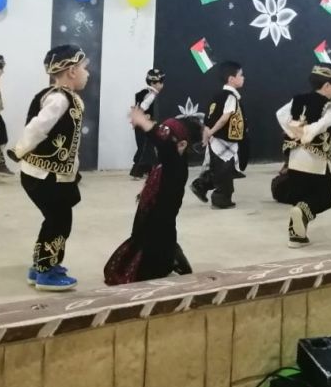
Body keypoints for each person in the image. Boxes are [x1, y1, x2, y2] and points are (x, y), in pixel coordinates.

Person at [7, 45, 89, 292]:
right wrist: (20, 149)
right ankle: (46, 272)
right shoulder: (59, 98)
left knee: (54, 219)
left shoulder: (61, 96)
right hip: (45, 176)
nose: (87, 73)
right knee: (59, 221)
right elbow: (37, 127)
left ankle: (41, 266)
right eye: (84, 68)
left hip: (51, 174)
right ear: (72, 71)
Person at [104, 109, 201, 284]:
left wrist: (143, 121)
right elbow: (158, 140)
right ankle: (172, 255)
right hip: (151, 216)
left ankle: (171, 257)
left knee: (141, 266)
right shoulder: (166, 161)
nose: (158, 146)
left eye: (165, 140)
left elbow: (160, 140)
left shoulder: (175, 164)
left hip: (159, 221)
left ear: (182, 145)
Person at [276, 63, 331, 248]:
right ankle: (302, 215)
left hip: (295, 157)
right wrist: (307, 133)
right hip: (315, 158)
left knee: (300, 197)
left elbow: (280, 114)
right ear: (327, 85)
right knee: (325, 197)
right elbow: (322, 124)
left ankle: (296, 238)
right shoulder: (330, 106)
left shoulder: (298, 99)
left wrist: (293, 131)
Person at [191, 61, 246, 209]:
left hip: (216, 140)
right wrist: (211, 132)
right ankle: (221, 199)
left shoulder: (217, 96)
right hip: (223, 140)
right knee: (224, 172)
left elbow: (209, 118)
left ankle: (201, 185)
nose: (243, 78)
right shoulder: (231, 97)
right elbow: (224, 119)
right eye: (241, 75)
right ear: (231, 79)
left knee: (219, 168)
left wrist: (207, 135)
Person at [129, 68, 165, 179]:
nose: (162, 85)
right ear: (153, 83)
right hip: (144, 126)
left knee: (148, 148)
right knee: (144, 148)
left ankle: (149, 171)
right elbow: (142, 108)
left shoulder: (143, 93)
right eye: (160, 82)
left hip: (142, 125)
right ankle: (137, 172)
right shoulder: (151, 95)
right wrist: (144, 117)